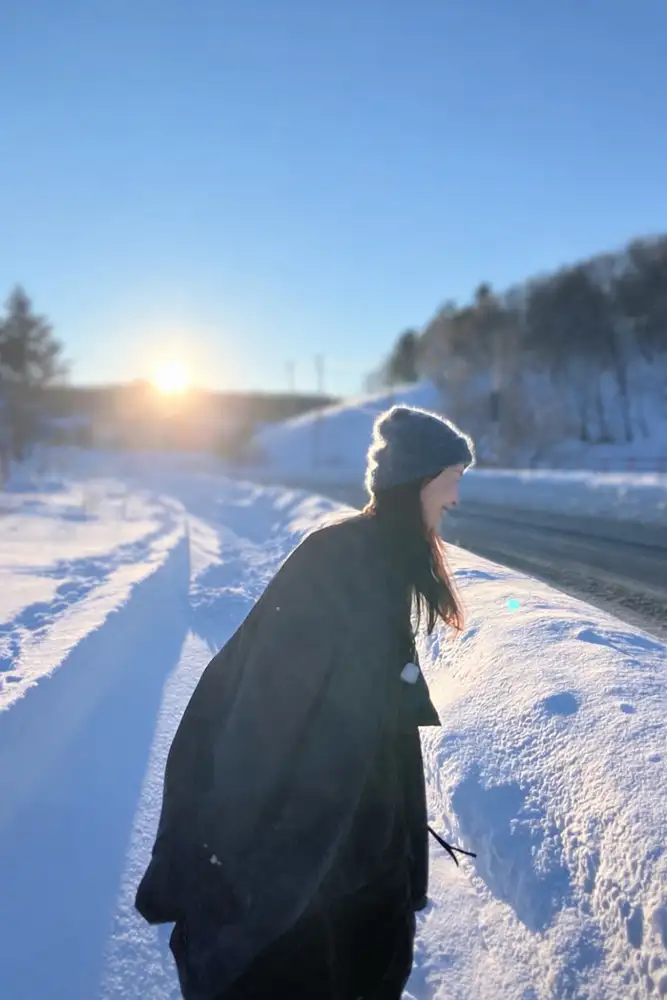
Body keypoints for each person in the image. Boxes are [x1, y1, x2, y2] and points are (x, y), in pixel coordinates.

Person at [135, 404, 475, 1000]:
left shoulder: (380, 562)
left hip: (354, 866)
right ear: (419, 482)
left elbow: (378, 733)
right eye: (451, 480)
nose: (456, 499)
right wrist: (238, 868)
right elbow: (260, 714)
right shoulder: (342, 562)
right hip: (311, 879)